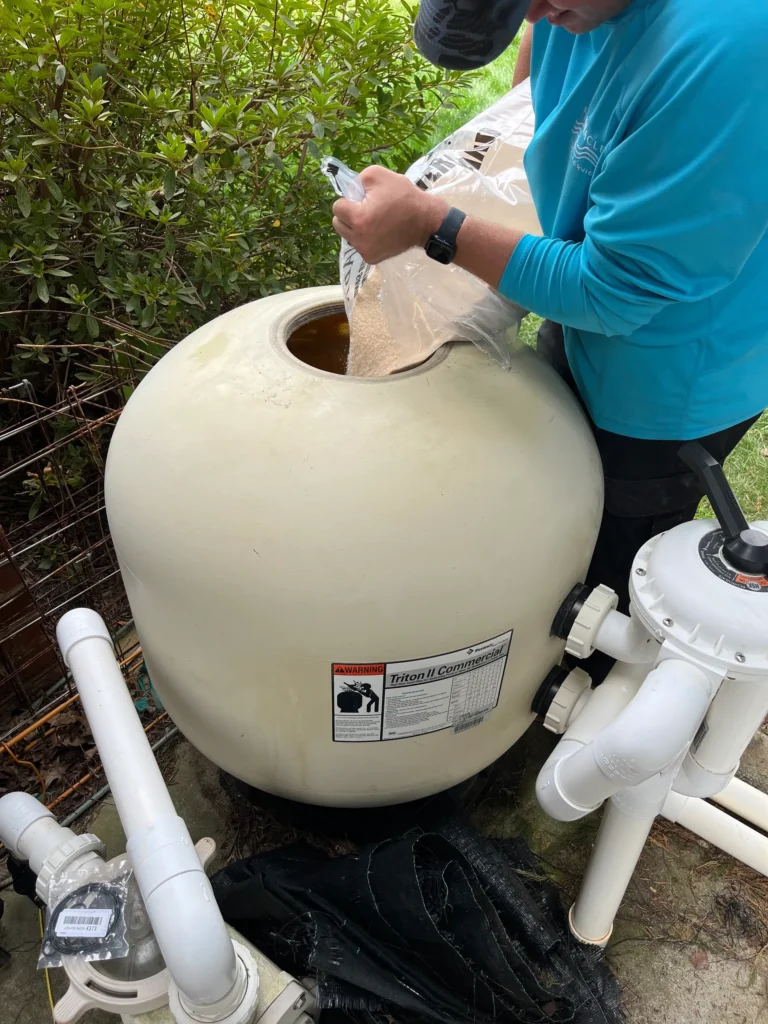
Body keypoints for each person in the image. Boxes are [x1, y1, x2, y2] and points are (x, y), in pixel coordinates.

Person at [332, 0, 768, 680]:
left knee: (608, 568)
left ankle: (589, 702)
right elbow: (543, 58)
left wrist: (434, 228)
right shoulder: (571, 10)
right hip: (601, 315)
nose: (536, 10)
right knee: (557, 507)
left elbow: (614, 292)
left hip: (675, 375)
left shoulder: (731, 49)